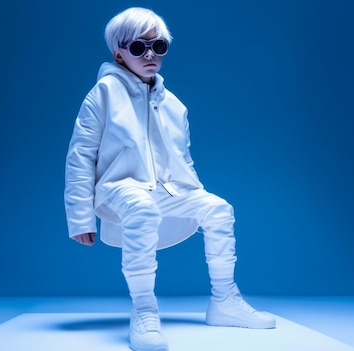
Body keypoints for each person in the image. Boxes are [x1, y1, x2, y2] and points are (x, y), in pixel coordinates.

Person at [64, 7, 275, 351]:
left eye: (158, 46)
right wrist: (79, 217)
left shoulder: (174, 105)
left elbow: (183, 159)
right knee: (142, 208)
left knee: (220, 209)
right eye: (138, 47)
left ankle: (224, 300)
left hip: (168, 188)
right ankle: (144, 310)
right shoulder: (103, 94)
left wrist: (196, 198)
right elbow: (80, 156)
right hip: (119, 188)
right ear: (119, 54)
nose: (150, 54)